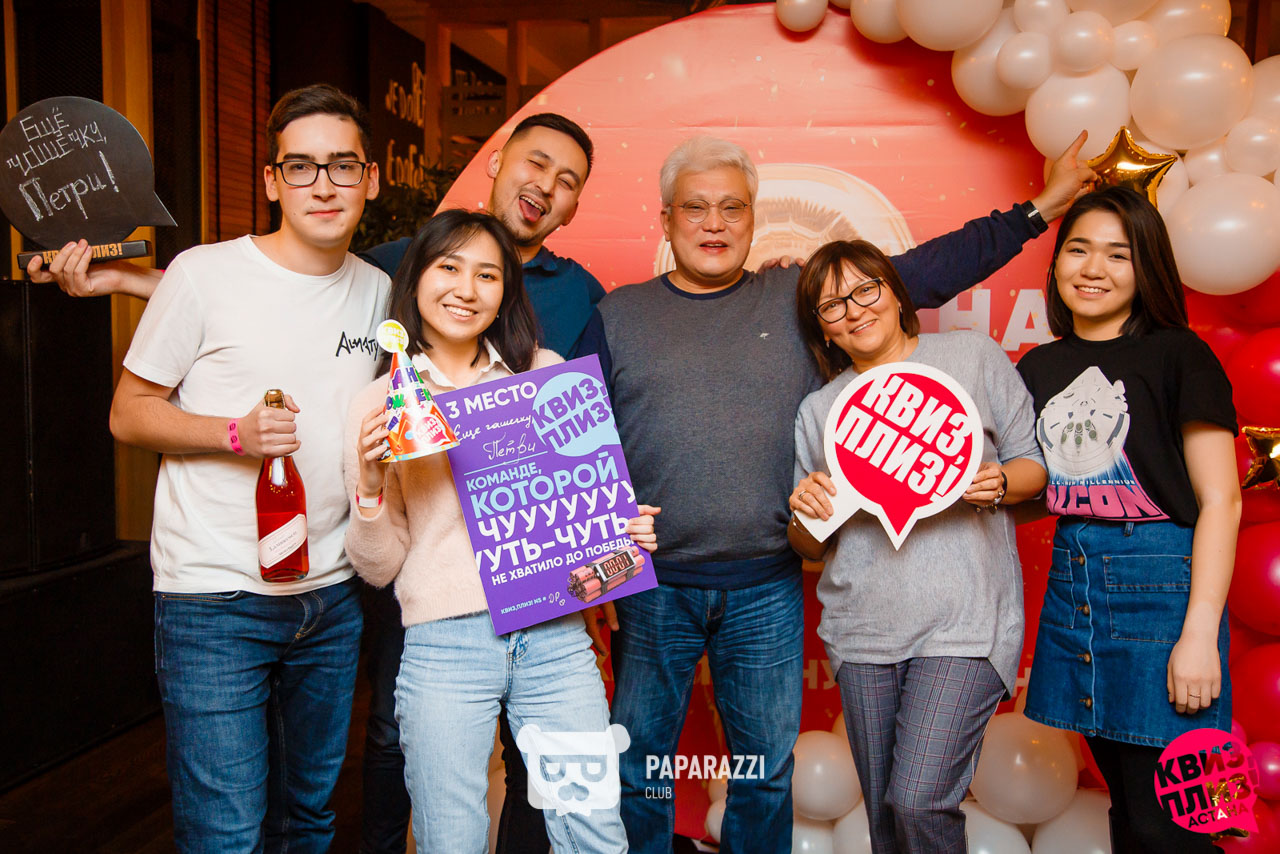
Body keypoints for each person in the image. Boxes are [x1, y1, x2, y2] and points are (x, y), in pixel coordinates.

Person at [34, 111, 606, 854]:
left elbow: (585, 461)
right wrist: (128, 283)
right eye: (302, 167)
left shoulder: (543, 315)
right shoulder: (380, 285)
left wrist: (610, 536)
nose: (465, 289)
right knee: (329, 795)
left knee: (326, 816)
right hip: (290, 596)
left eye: (568, 180)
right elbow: (259, 292)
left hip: (418, 603)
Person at [585, 133, 1094, 853]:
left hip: (765, 586)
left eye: (733, 207)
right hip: (652, 584)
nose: (715, 223)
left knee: (766, 775)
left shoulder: (797, 299)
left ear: (754, 217)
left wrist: (1039, 209)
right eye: (695, 208)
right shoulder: (617, 314)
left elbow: (922, 270)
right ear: (665, 219)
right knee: (641, 769)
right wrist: (594, 570)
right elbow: (571, 443)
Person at [108, 84, 387, 852]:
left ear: (371, 179)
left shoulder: (381, 294)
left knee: (309, 821)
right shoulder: (203, 275)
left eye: (343, 166)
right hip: (214, 599)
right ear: (271, 180)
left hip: (332, 598)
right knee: (225, 835)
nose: (323, 185)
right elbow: (128, 412)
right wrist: (234, 433)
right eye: (301, 167)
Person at [342, 208, 653, 853]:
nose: (467, 289)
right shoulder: (382, 403)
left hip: (556, 640)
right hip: (444, 645)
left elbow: (589, 535)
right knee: (451, 839)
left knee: (594, 831)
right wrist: (370, 484)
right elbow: (378, 566)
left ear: (507, 290)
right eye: (449, 267)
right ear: (416, 278)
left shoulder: (544, 373)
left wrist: (622, 540)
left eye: (487, 275)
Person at [787, 240, 1046, 852]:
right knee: (886, 821)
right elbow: (809, 548)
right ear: (822, 330)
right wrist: (807, 509)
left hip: (965, 624)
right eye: (832, 306)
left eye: (865, 289)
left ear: (896, 293)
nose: (854, 310)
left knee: (918, 798)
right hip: (861, 633)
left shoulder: (971, 357)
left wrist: (999, 482)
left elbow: (1033, 465)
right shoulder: (819, 410)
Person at [1015, 186, 1240, 853]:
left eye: (1119, 254)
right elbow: (1054, 490)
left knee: (1178, 825)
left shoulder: (1180, 354)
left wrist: (1200, 636)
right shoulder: (1040, 366)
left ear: (1148, 268)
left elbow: (1222, 501)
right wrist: (982, 489)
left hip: (1167, 597)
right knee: (1130, 811)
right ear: (1057, 261)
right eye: (1078, 249)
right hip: (1076, 589)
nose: (1093, 269)